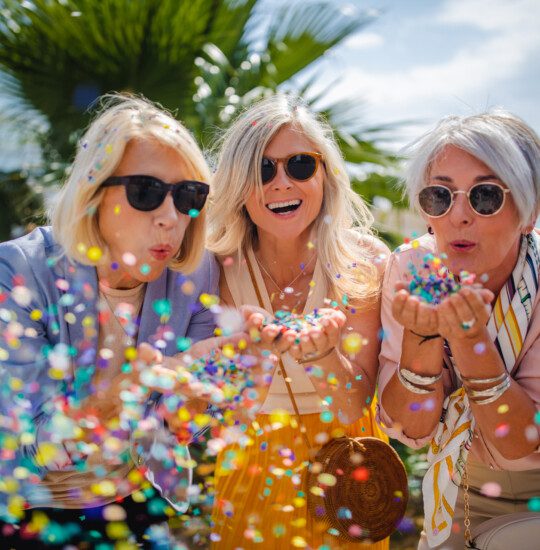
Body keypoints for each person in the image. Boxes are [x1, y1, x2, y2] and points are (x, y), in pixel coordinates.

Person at [0, 94, 219, 547]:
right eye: (146, 192)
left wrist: (196, 399)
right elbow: (25, 442)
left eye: (188, 196)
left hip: (137, 500)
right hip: (31, 512)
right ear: (93, 193)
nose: (170, 217)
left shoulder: (194, 274)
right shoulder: (19, 272)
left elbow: (170, 430)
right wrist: (117, 398)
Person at [207, 94, 390, 548]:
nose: (281, 183)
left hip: (350, 479)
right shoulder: (211, 268)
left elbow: (352, 407)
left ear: (325, 174)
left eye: (300, 165)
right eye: (262, 169)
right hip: (249, 476)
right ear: (237, 182)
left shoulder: (364, 262)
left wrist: (322, 355)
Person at [377, 111, 540, 549]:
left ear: (530, 212)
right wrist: (422, 339)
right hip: (458, 488)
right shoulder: (411, 269)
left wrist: (470, 342)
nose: (458, 216)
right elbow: (408, 428)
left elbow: (521, 442)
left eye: (485, 196)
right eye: (439, 197)